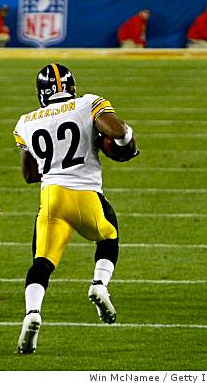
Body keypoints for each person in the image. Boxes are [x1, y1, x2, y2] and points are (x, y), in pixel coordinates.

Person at [13, 63, 139, 354]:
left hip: (51, 198)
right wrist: (125, 144)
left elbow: (30, 175)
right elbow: (118, 130)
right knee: (108, 237)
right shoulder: (87, 103)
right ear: (71, 87)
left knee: (41, 262)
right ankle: (99, 284)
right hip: (85, 195)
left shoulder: (25, 121)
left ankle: (32, 314)